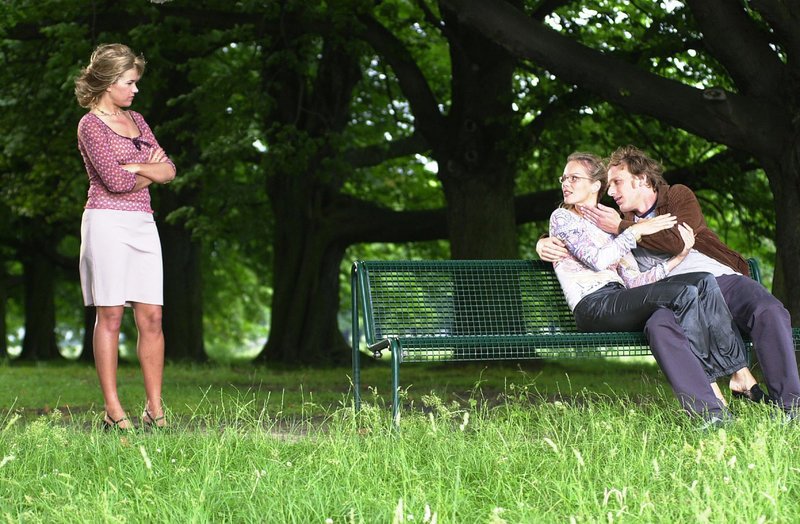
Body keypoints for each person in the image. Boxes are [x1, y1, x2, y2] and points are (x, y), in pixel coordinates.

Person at [541, 145, 800, 420]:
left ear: (640, 179)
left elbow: (675, 241)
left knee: (769, 311)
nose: (612, 191)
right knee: (658, 325)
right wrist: (543, 243)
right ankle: (711, 412)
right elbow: (581, 241)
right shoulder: (614, 218)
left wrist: (624, 228)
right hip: (671, 294)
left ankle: (790, 407)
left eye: (617, 182)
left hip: (720, 280)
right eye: (609, 185)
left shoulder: (675, 196)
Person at [75, 43, 176, 430]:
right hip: (105, 224)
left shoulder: (137, 119)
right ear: (107, 81)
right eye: (129, 82)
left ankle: (155, 409)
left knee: (152, 316)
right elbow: (114, 184)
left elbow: (169, 170)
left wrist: (136, 165)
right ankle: (114, 410)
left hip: (143, 224)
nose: (135, 90)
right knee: (111, 315)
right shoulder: (90, 124)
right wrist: (145, 167)